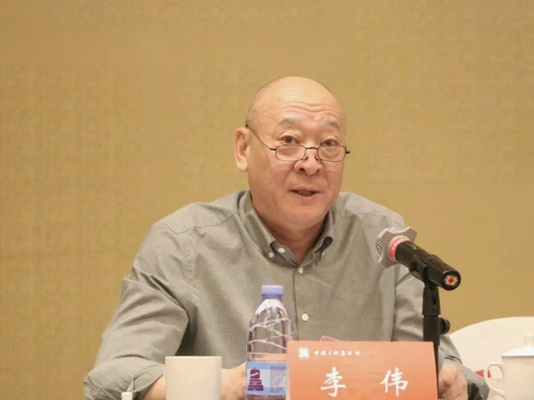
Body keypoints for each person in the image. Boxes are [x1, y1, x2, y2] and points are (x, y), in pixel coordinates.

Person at [84, 76, 488, 400]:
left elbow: (443, 369)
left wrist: (453, 384)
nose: (311, 163)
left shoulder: (382, 237)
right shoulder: (183, 244)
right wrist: (223, 386)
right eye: (289, 142)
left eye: (328, 144)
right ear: (243, 149)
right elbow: (115, 376)